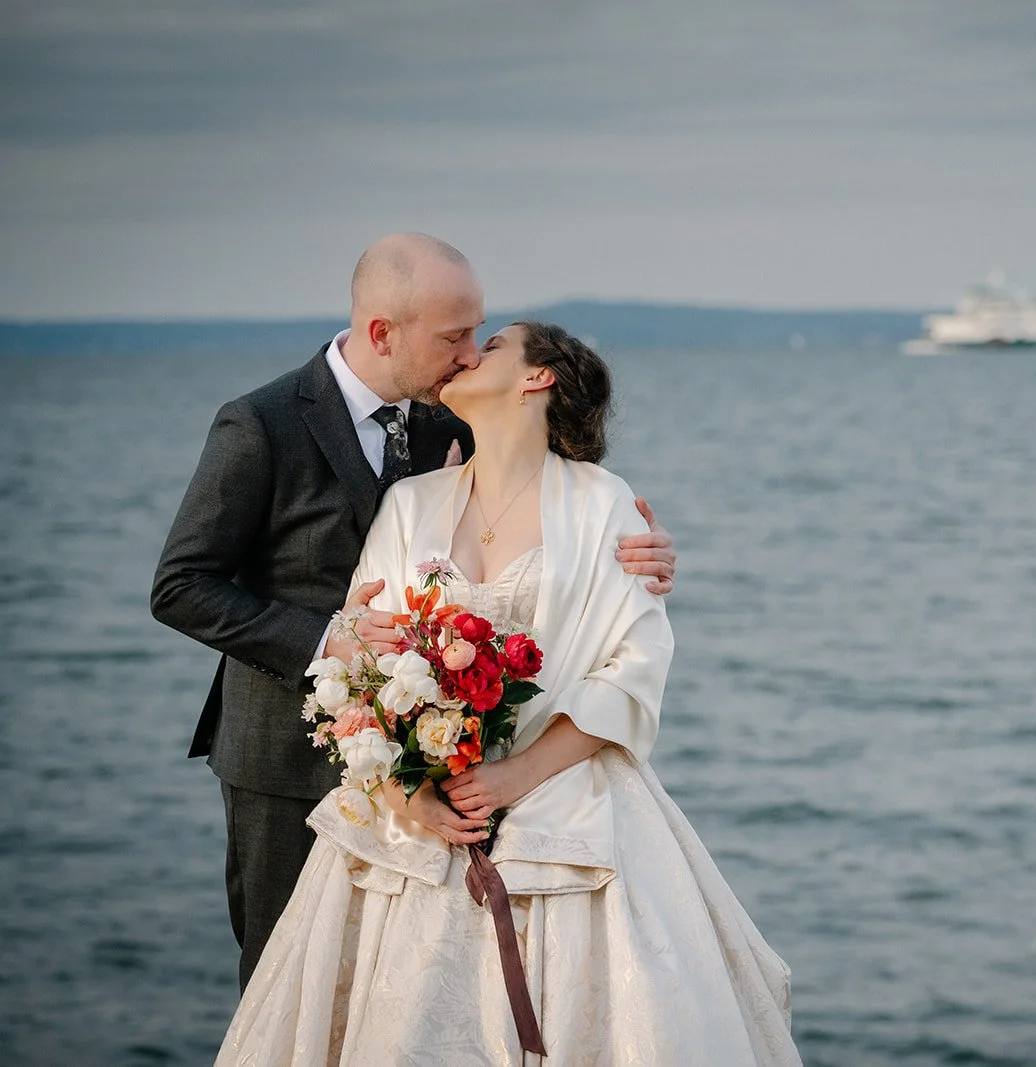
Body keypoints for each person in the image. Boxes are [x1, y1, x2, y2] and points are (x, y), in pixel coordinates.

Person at [215, 320, 799, 1065]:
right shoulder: (411, 503)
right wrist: (406, 791)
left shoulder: (603, 504)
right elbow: (365, 645)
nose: (467, 353)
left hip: (562, 792)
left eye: (492, 346)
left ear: (538, 377)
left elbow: (635, 662)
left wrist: (515, 775)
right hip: (419, 816)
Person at [151, 234, 677, 990]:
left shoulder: (449, 419)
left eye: (478, 335)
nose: (467, 354)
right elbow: (180, 585)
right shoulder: (260, 425)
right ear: (382, 333)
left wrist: (649, 555)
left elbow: (550, 515)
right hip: (284, 757)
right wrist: (332, 640)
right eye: (454, 336)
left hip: (454, 762)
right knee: (286, 984)